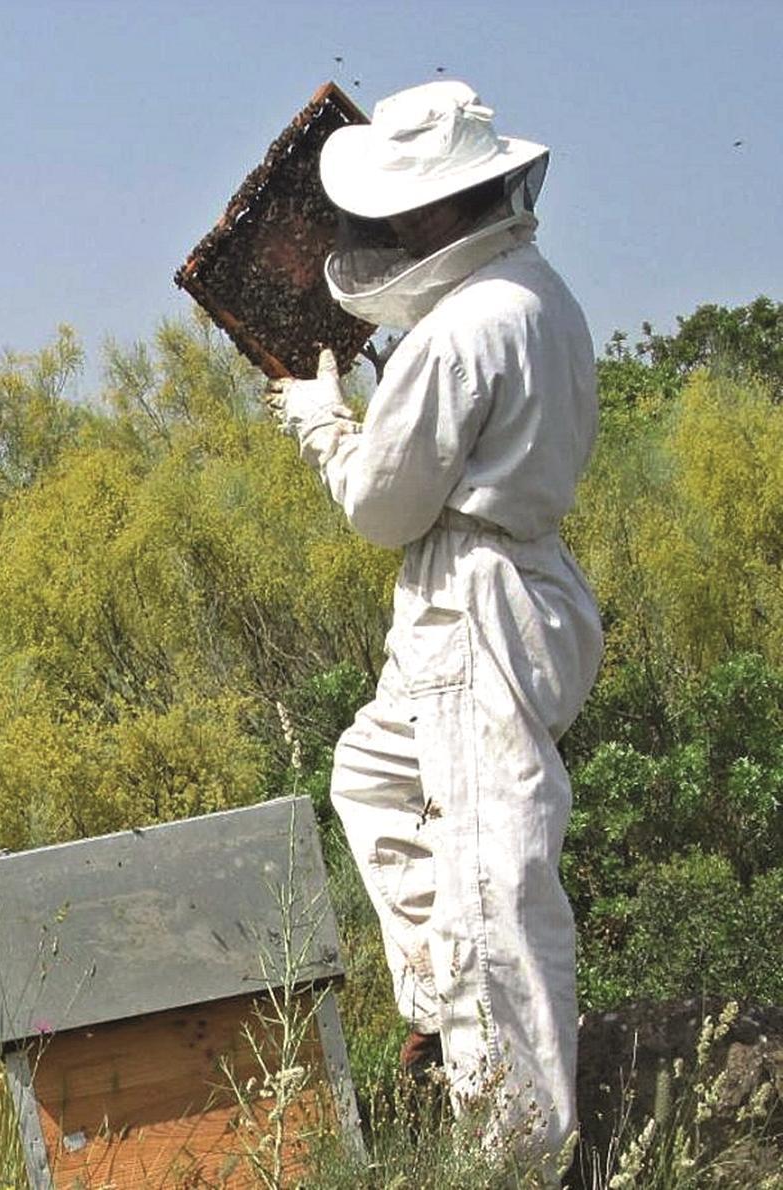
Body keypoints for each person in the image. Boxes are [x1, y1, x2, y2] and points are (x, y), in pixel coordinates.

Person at [265, 80, 602, 1174]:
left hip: (474, 606)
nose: (395, 229)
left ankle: (519, 1150)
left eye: (408, 209)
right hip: (510, 584)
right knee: (372, 772)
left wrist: (326, 428)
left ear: (451, 204)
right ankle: (447, 1012)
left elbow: (383, 506)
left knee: (495, 876)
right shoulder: (537, 294)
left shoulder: (461, 331)